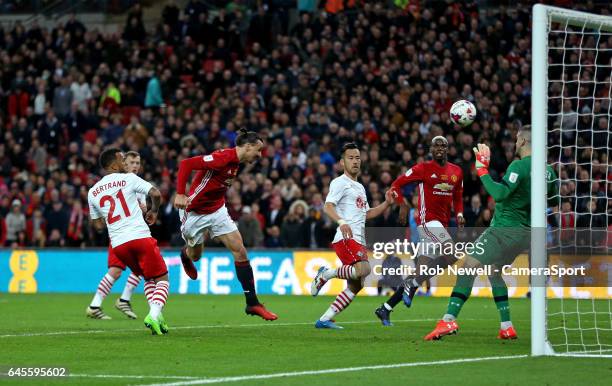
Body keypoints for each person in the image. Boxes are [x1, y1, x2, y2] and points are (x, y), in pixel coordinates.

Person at [424, 126, 558, 340]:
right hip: (526, 233)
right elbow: (554, 202)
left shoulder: (519, 166)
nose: (515, 144)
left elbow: (499, 193)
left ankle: (448, 320)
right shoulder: (549, 171)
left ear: (523, 142)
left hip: (503, 230)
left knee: (467, 267)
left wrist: (482, 170)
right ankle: (506, 326)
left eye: (516, 140)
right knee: (494, 271)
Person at [174, 129, 278, 321]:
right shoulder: (222, 158)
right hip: (194, 212)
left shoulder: (237, 162)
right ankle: (185, 254)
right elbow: (186, 164)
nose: (260, 155)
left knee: (240, 250)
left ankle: (252, 303)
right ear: (247, 147)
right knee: (196, 256)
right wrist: (180, 193)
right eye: (258, 150)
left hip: (217, 210)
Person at [374, 136, 464, 326]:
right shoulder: (422, 168)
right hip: (427, 221)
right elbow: (396, 185)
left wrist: (461, 213)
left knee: (420, 272)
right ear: (431, 149)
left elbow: (458, 196)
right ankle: (411, 286)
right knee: (453, 253)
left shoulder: (457, 171)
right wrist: (402, 205)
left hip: (442, 224)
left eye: (443, 145)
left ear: (448, 149)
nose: (439, 148)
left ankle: (386, 308)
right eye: (436, 145)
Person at [310, 142, 396, 329]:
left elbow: (368, 213)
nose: (355, 161)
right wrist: (342, 222)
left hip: (359, 239)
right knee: (363, 269)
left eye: (357, 158)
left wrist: (387, 204)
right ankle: (326, 274)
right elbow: (328, 206)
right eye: (351, 158)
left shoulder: (360, 187)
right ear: (342, 162)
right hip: (346, 237)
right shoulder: (339, 183)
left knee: (357, 285)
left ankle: (324, 319)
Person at [87, 148, 169, 335]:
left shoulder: (92, 192)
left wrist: (109, 217)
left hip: (118, 244)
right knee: (162, 278)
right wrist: (153, 211)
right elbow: (156, 194)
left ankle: (156, 316)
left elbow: (98, 226)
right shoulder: (129, 179)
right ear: (114, 163)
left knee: (147, 277)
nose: (125, 160)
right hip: (139, 237)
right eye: (122, 158)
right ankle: (154, 315)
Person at [86, 151, 147, 320]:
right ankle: (98, 304)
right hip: (122, 234)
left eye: (138, 162)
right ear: (123, 164)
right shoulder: (121, 183)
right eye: (131, 162)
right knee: (117, 270)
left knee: (138, 268)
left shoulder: (135, 183)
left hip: (132, 233)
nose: (135, 166)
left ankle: (119, 300)